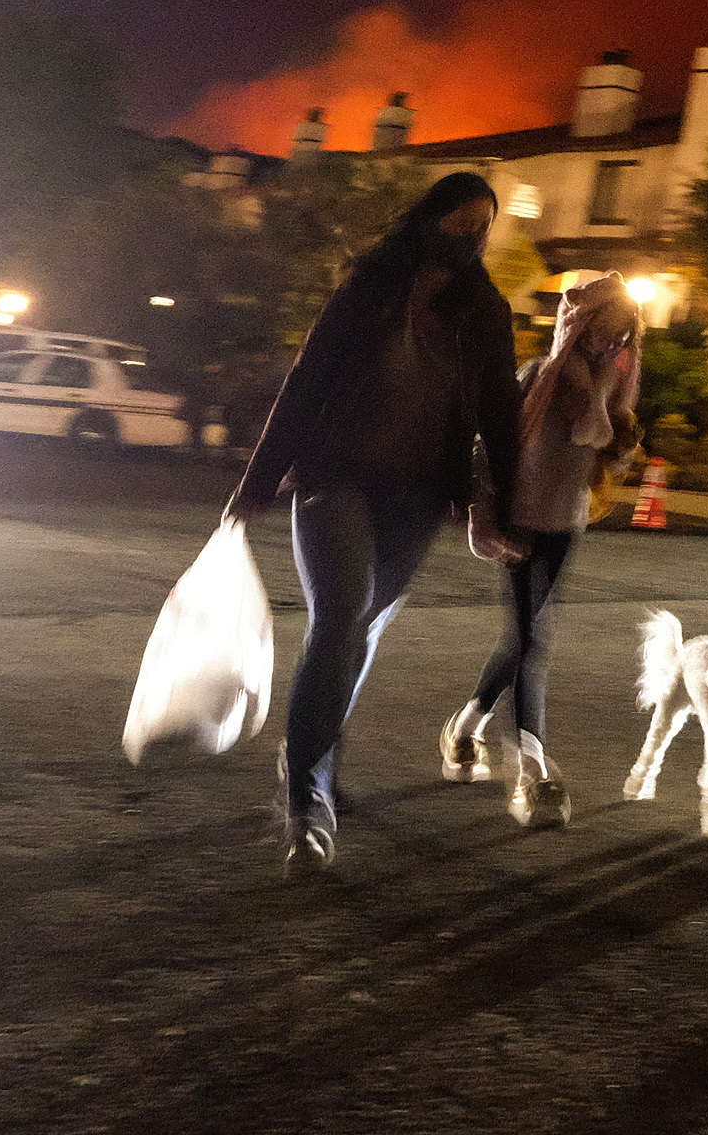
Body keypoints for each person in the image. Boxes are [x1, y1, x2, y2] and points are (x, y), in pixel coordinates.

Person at [226, 172, 523, 874]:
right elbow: (307, 377)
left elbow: (503, 415)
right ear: (428, 218)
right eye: (458, 223)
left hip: (417, 496)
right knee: (338, 616)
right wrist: (259, 479)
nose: (469, 238)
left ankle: (312, 751)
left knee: (358, 631)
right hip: (335, 476)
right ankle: (306, 800)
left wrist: (508, 506)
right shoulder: (369, 286)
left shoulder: (484, 311)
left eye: (482, 227)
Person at [443, 273, 642, 829]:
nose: (611, 346)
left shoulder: (611, 392)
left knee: (523, 638)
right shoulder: (541, 376)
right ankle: (532, 767)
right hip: (520, 521)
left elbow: (604, 461)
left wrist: (621, 443)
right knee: (534, 640)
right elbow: (496, 444)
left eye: (622, 337)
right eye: (604, 332)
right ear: (578, 326)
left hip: (564, 523)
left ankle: (464, 729)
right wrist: (491, 520)